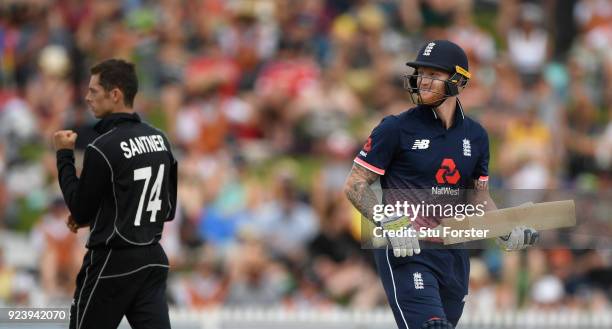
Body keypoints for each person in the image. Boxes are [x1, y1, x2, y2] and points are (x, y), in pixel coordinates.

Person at [343, 40, 539, 329]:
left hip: (453, 254)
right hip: (408, 249)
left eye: (434, 74)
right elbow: (355, 184)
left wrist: (504, 229)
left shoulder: (476, 136)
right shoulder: (395, 128)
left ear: (458, 80)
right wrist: (388, 220)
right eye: (421, 73)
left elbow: (477, 198)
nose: (423, 81)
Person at [54, 59, 177, 329]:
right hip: (152, 260)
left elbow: (79, 210)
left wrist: (63, 154)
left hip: (113, 261)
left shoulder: (102, 147)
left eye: (94, 91)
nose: (87, 98)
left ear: (115, 94)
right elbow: (166, 210)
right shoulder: (160, 140)